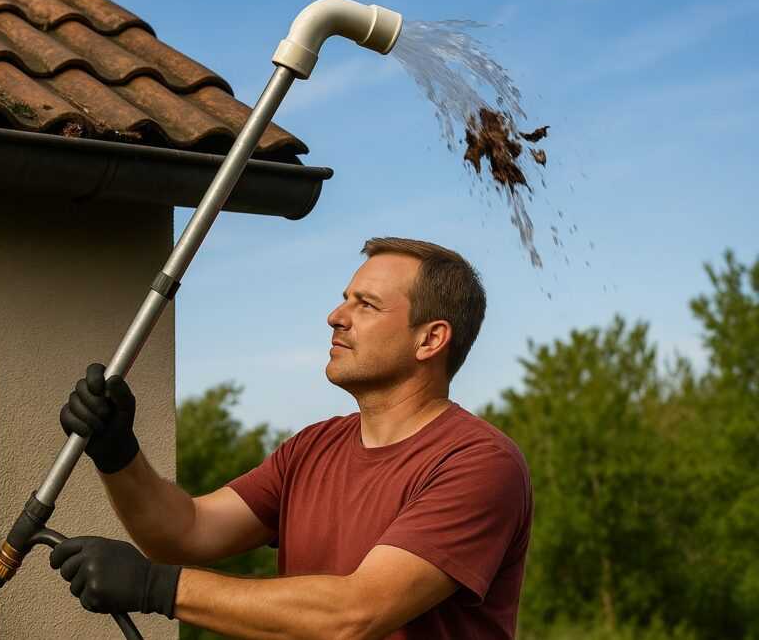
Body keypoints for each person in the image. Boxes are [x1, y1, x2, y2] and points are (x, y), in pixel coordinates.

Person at [52, 237, 533, 639]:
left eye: (365, 305)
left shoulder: (478, 463)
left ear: (430, 339)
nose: (335, 316)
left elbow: (356, 612)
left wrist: (157, 587)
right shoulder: (312, 448)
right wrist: (118, 453)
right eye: (345, 298)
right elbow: (186, 531)